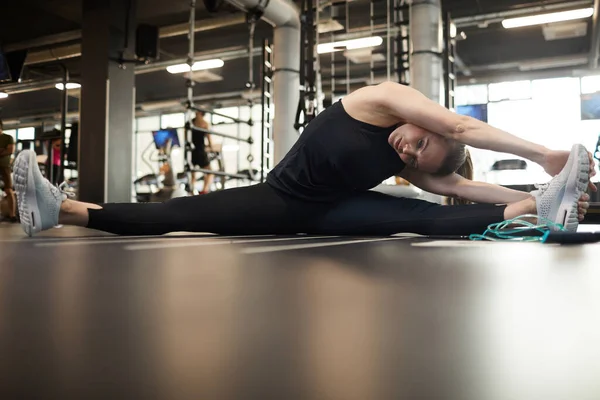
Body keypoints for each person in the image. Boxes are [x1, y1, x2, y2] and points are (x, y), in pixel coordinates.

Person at [13, 81, 596, 238]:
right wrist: (546, 155)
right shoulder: (383, 99)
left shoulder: (420, 165)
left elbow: (463, 191)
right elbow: (458, 125)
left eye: (421, 154)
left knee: (427, 215)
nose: (410, 148)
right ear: (423, 119)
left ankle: (542, 210)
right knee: (182, 211)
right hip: (282, 199)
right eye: (420, 139)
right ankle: (60, 208)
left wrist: (536, 194)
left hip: (330, 211)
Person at [190, 111, 215, 195]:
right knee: (210, 172)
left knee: (193, 174)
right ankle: (204, 191)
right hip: (200, 151)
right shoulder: (205, 124)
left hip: (192, 151)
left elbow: (186, 139)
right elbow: (210, 141)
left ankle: (192, 192)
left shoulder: (190, 123)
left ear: (199, 113)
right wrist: (211, 148)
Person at [0, 120, 17, 222]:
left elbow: (10, 150)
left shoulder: (7, 138)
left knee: (8, 190)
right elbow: (5, 151)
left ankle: (12, 215)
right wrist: (2, 150)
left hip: (5, 167)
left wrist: (4, 151)